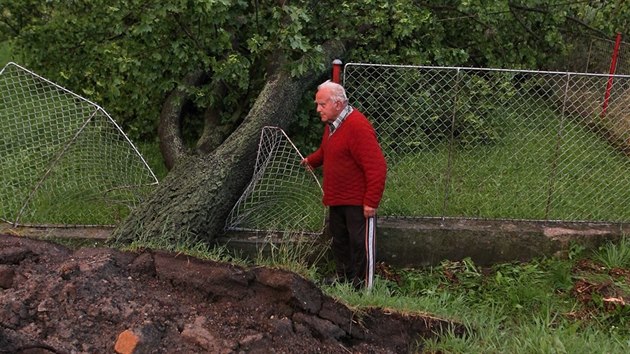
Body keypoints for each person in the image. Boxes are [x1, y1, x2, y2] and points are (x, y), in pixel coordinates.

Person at [302, 80, 387, 290]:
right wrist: (313, 160)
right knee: (339, 241)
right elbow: (327, 151)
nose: (318, 109)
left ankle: (363, 289)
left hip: (357, 201)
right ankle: (344, 278)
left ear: (338, 104)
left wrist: (371, 201)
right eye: (317, 104)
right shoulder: (332, 126)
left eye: (322, 104)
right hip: (337, 197)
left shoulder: (358, 126)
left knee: (360, 245)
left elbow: (377, 166)